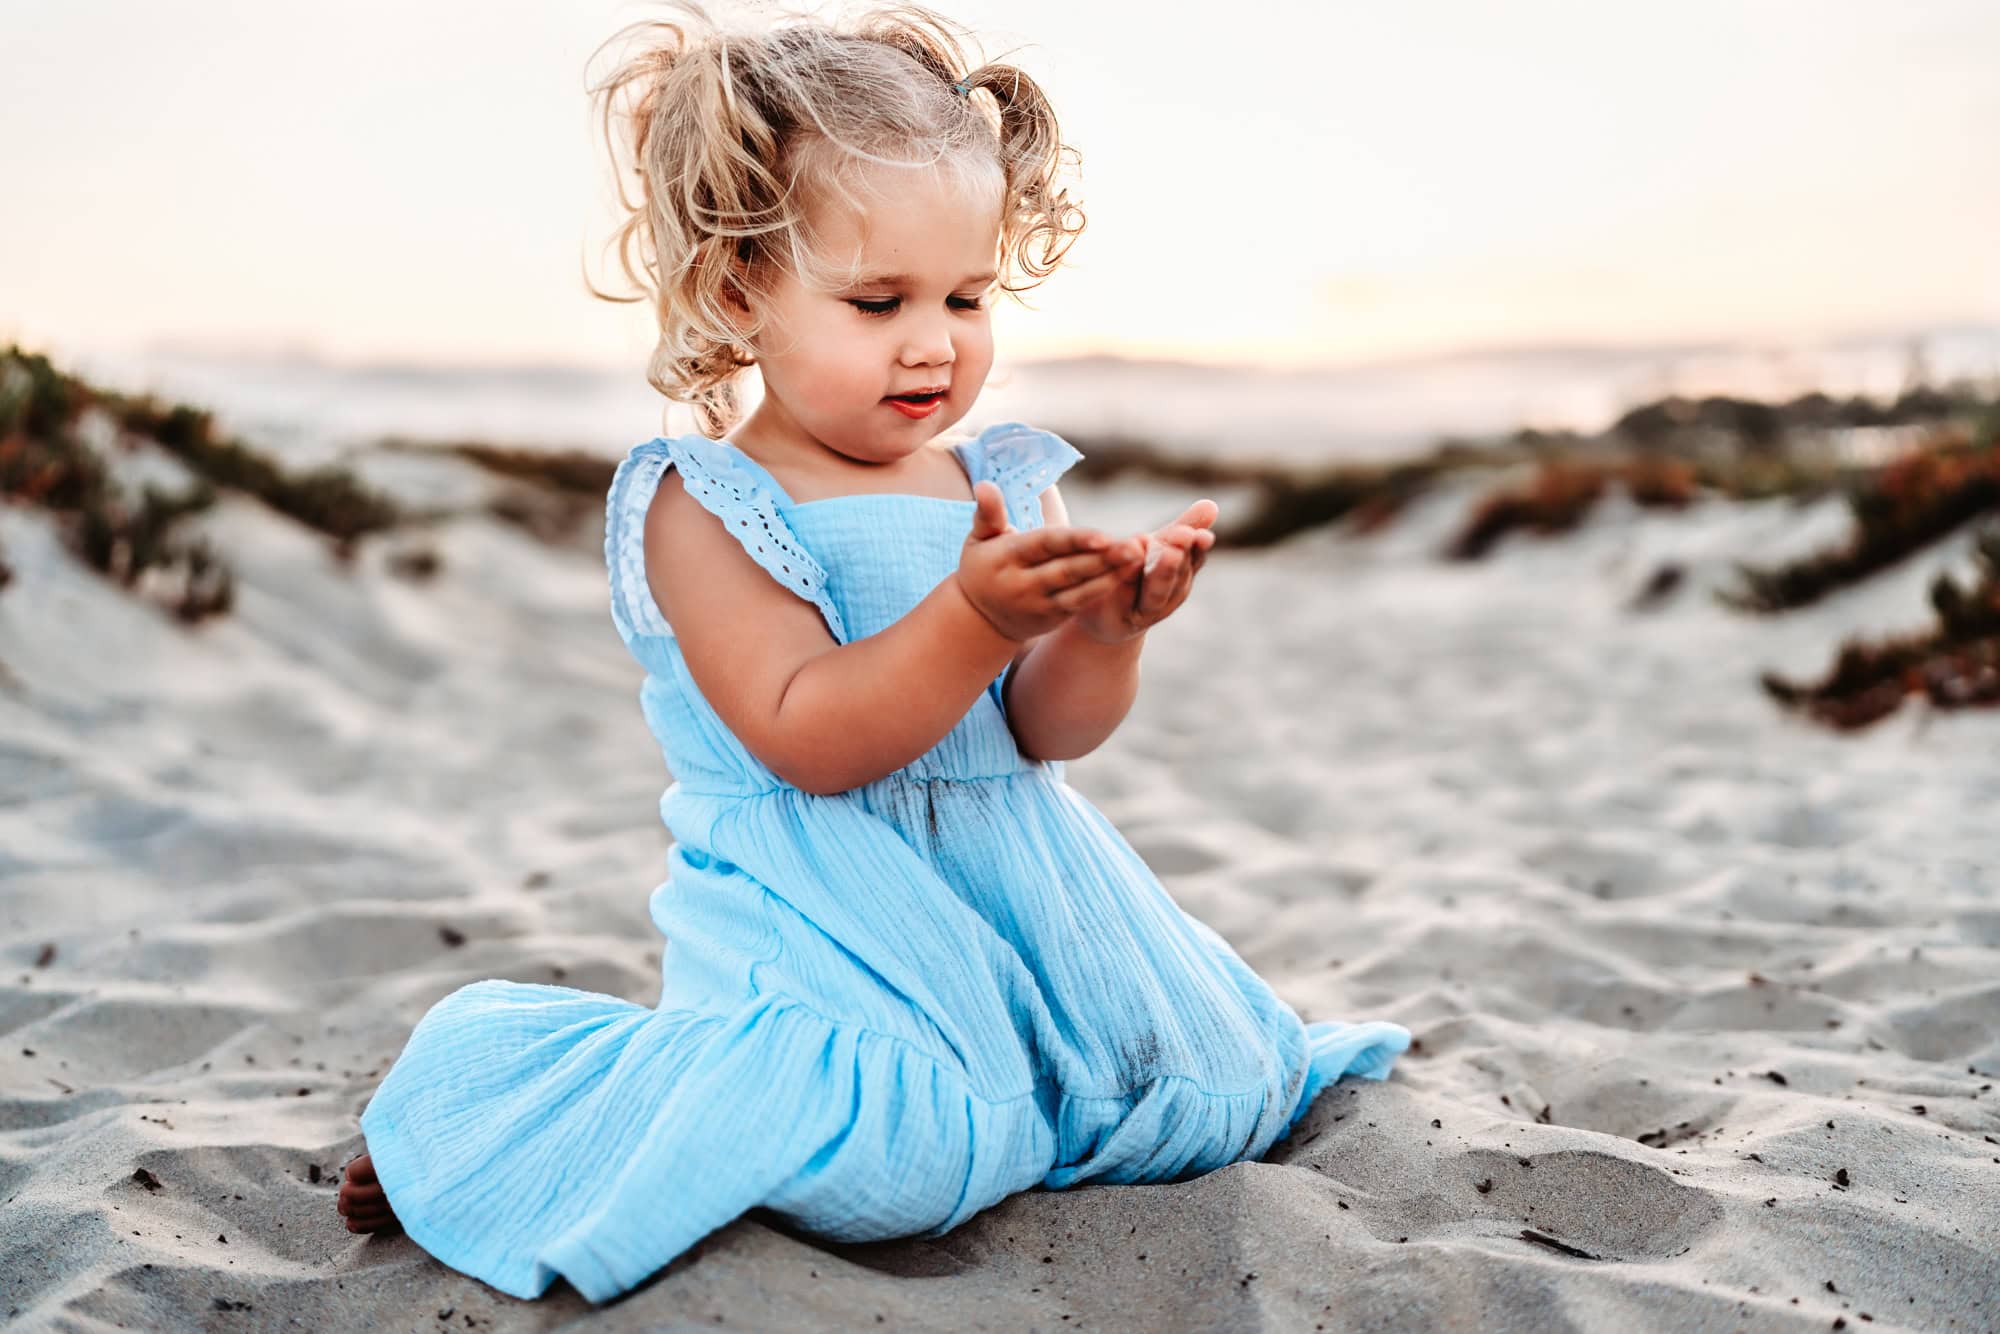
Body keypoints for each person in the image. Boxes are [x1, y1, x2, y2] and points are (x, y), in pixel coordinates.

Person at [337, 1, 1410, 1302]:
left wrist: (1102, 635)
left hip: (1017, 890)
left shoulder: (999, 476)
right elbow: (812, 734)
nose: (935, 339)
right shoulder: (706, 502)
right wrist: (972, 618)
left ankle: (978, 1079)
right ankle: (518, 1114)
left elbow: (1038, 730)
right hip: (824, 914)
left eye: (967, 294)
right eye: (877, 299)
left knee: (1229, 1077)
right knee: (895, 1152)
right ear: (741, 289)